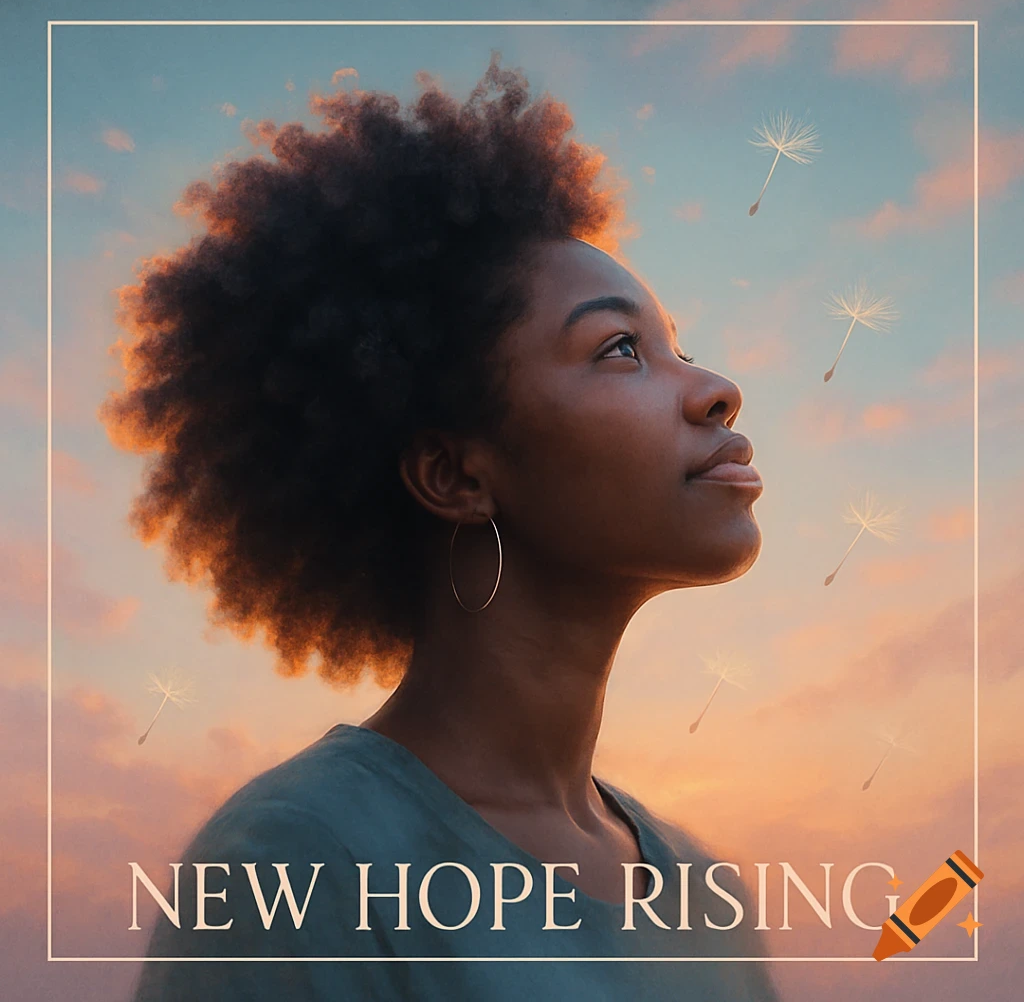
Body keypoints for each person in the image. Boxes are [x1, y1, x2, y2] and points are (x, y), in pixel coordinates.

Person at [108, 51, 778, 1001]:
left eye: (681, 348)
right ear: (456, 475)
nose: (716, 390)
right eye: (621, 349)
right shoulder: (296, 866)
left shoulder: (708, 903)